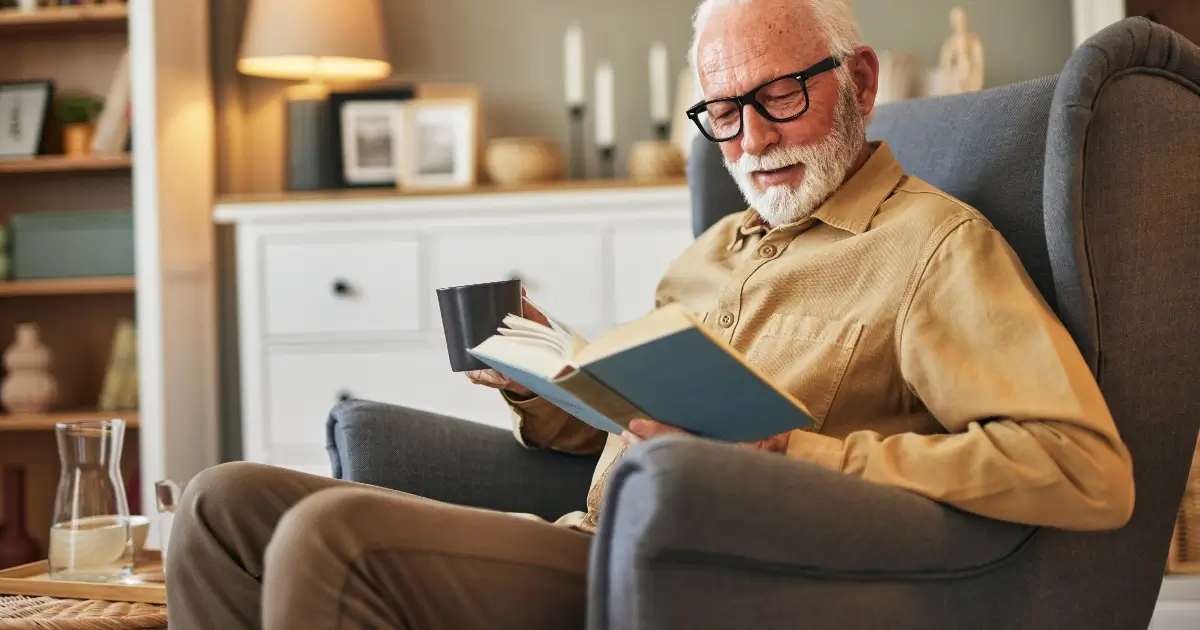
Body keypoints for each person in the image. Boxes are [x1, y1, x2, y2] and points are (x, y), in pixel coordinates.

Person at [166, 0, 1136, 628]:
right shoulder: (714, 252)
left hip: (698, 575)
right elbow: (636, 413)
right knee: (219, 506)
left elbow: (1083, 469)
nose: (751, 141)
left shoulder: (931, 248)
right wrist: (543, 381)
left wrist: (797, 457)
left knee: (324, 541)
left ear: (862, 83)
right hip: (583, 534)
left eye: (781, 96)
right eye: (723, 111)